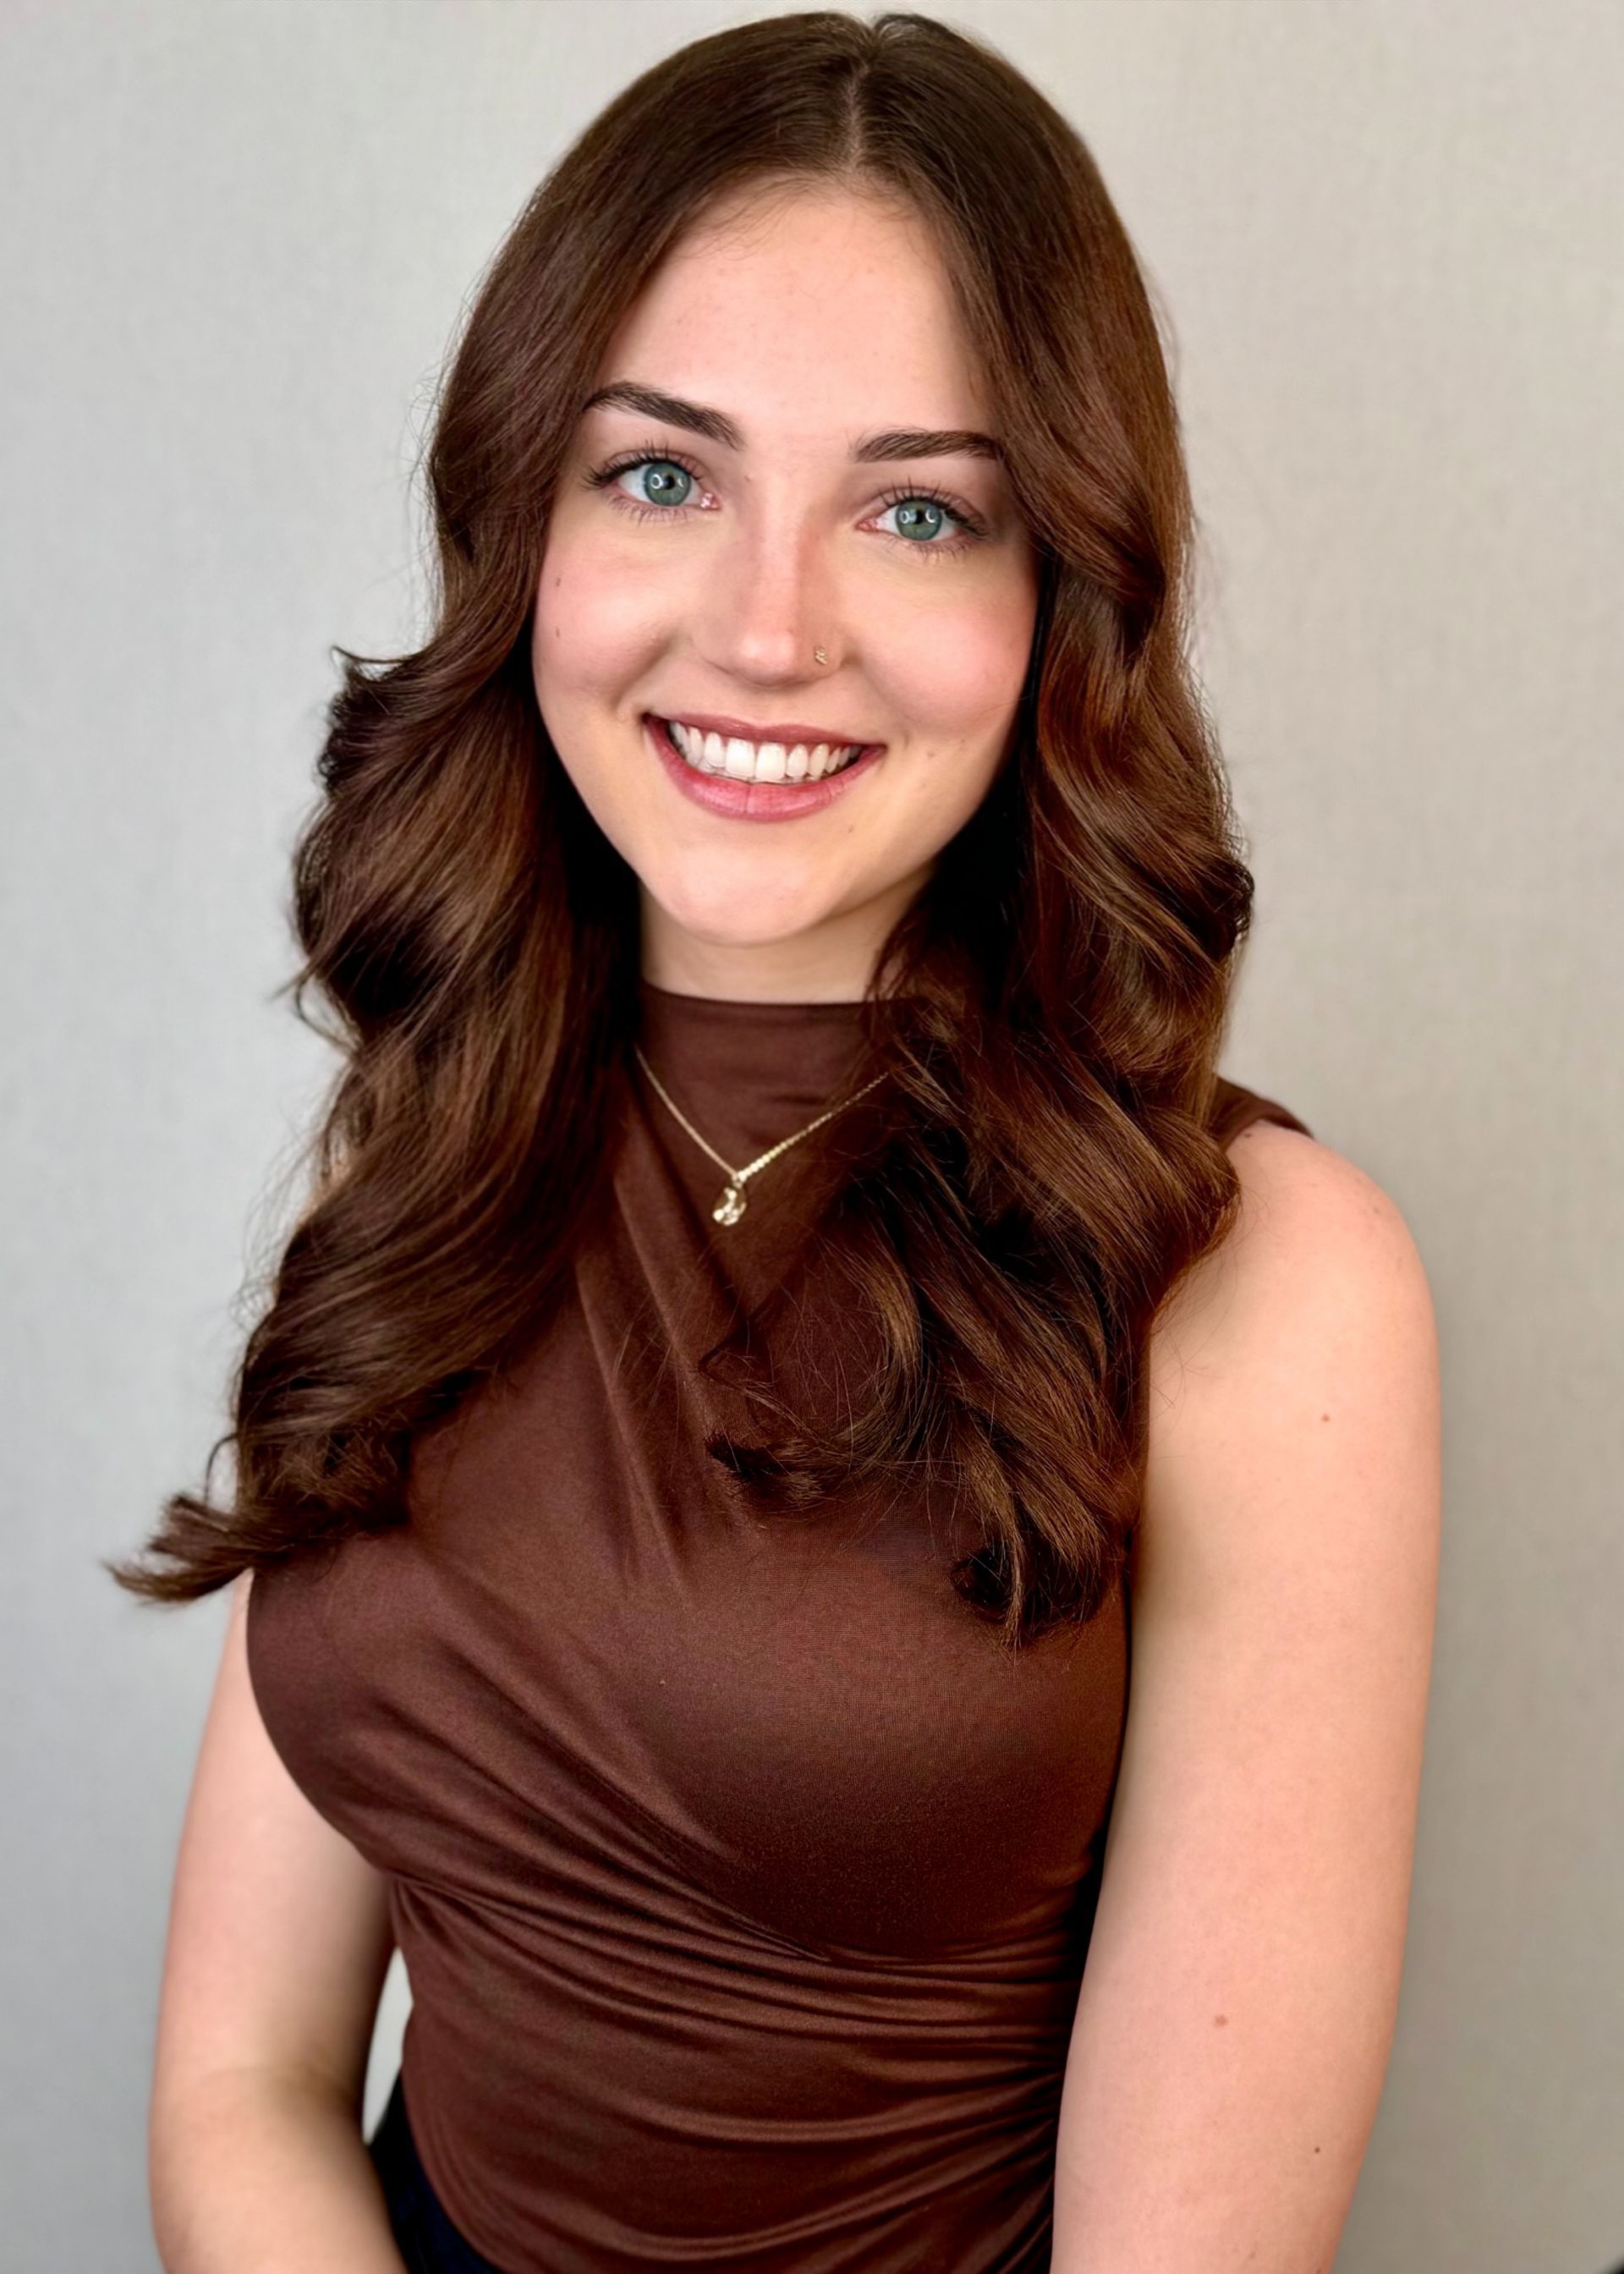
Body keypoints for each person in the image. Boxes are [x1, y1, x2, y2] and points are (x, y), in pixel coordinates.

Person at [122, 13, 1441, 2273]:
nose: (766, 626)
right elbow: (241, 2084)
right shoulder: (429, 1153)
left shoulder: (1266, 1276)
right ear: (523, 515)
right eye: (662, 474)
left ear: (1060, 608)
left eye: (919, 510)